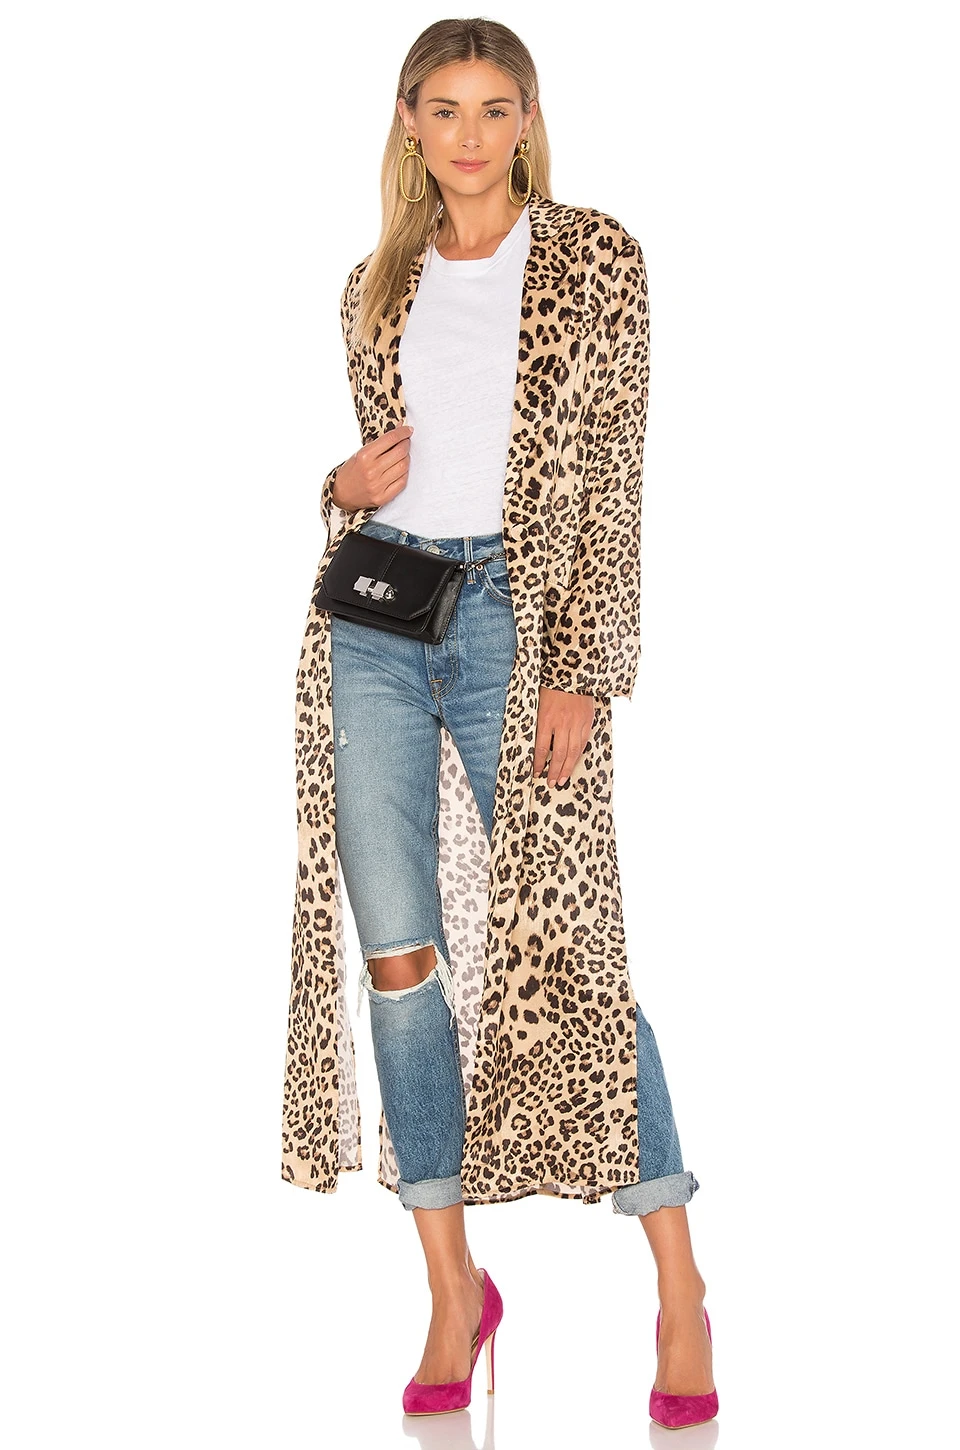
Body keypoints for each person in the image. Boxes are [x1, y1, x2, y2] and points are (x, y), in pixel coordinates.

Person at [282, 17, 718, 1430]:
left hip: (520, 626)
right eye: (444, 108)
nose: (469, 135)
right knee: (399, 957)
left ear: (527, 118)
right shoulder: (374, 284)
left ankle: (680, 1285)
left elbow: (616, 475)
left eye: (494, 107)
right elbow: (381, 471)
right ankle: (452, 1284)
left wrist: (582, 665)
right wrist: (338, 482)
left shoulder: (595, 259)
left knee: (571, 948)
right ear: (409, 124)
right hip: (378, 615)